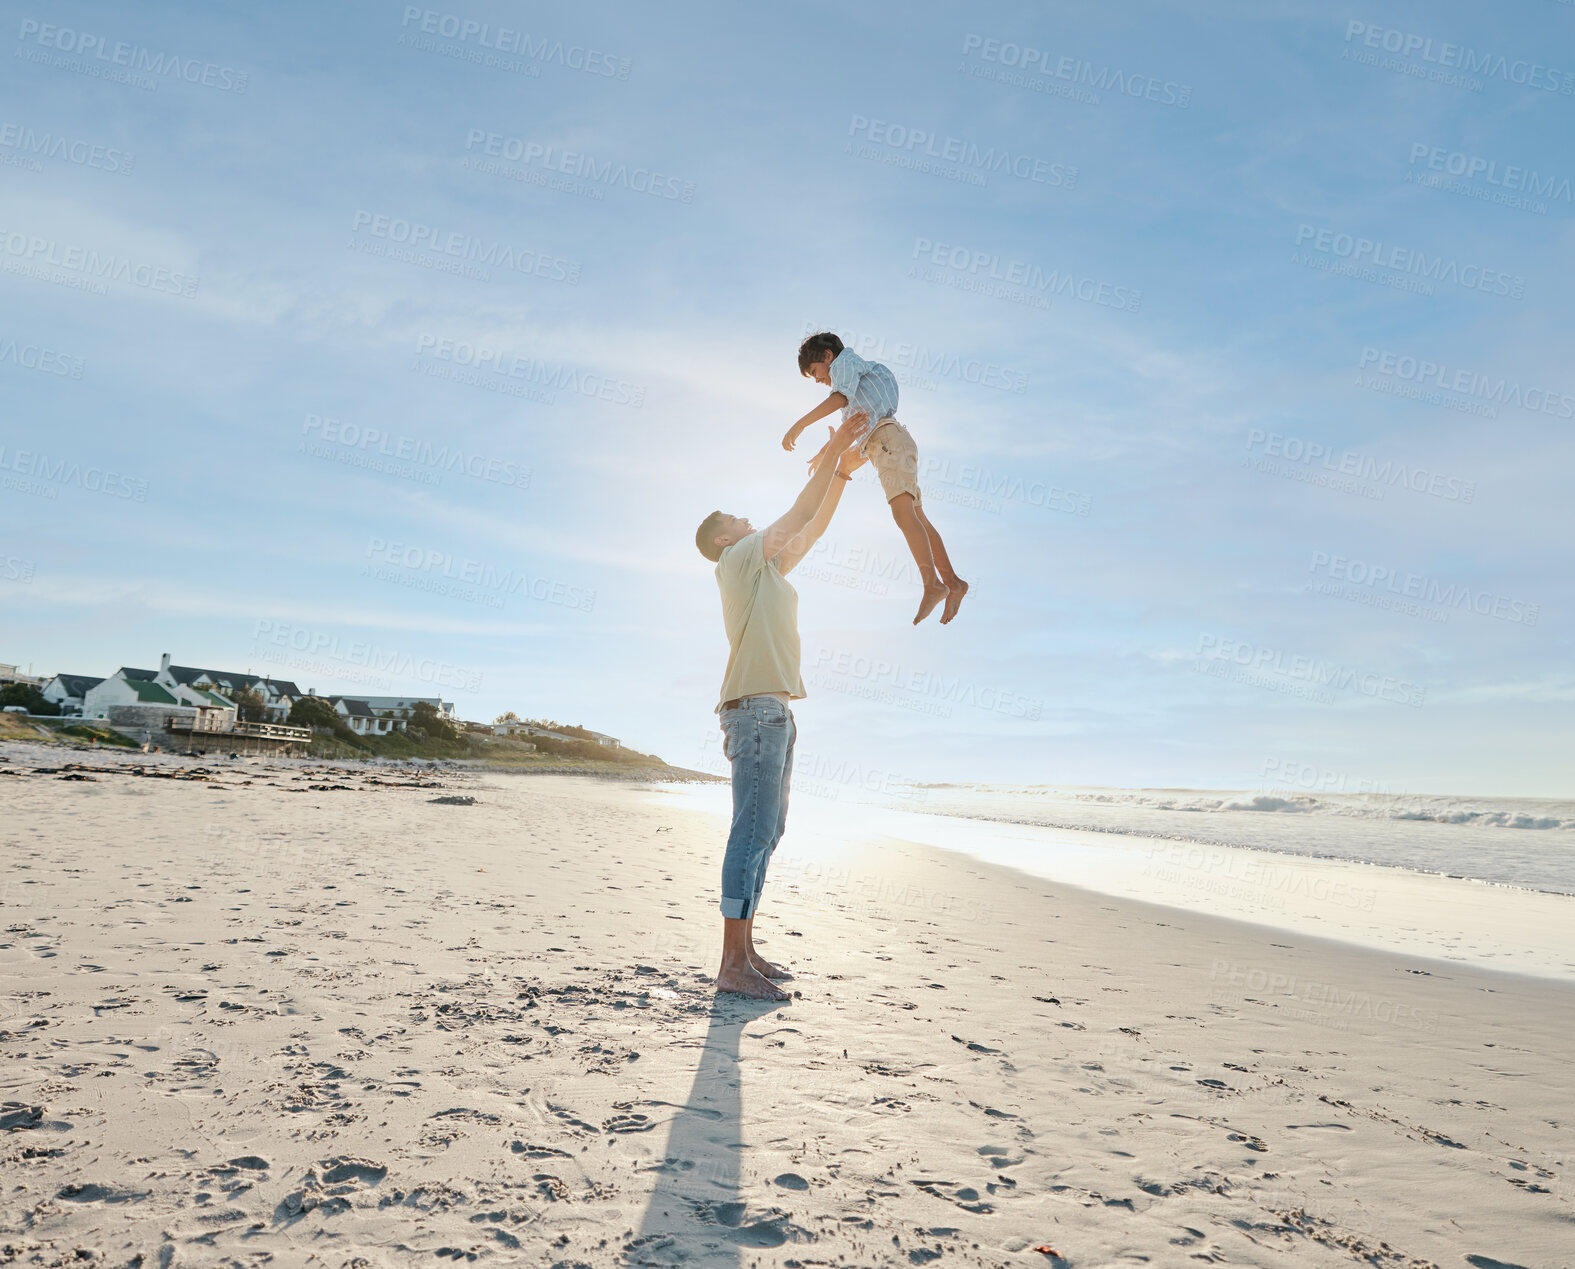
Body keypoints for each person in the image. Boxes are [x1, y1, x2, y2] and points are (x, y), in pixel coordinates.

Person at [693, 411, 869, 1000]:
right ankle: (730, 966)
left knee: (767, 830)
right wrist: (840, 441)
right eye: (739, 518)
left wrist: (840, 474)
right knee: (751, 830)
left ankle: (744, 952)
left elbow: (809, 529)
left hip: (774, 711)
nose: (749, 519)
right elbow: (794, 515)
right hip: (754, 712)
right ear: (724, 538)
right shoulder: (736, 560)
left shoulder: (762, 569)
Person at [781, 331, 968, 625]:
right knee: (918, 519)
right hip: (891, 441)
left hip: (887, 441)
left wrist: (800, 424)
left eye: (816, 373)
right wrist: (824, 452)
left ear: (828, 356)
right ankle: (952, 582)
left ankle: (933, 583)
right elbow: (850, 427)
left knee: (903, 515)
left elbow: (840, 397)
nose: (819, 381)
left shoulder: (845, 365)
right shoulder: (855, 382)